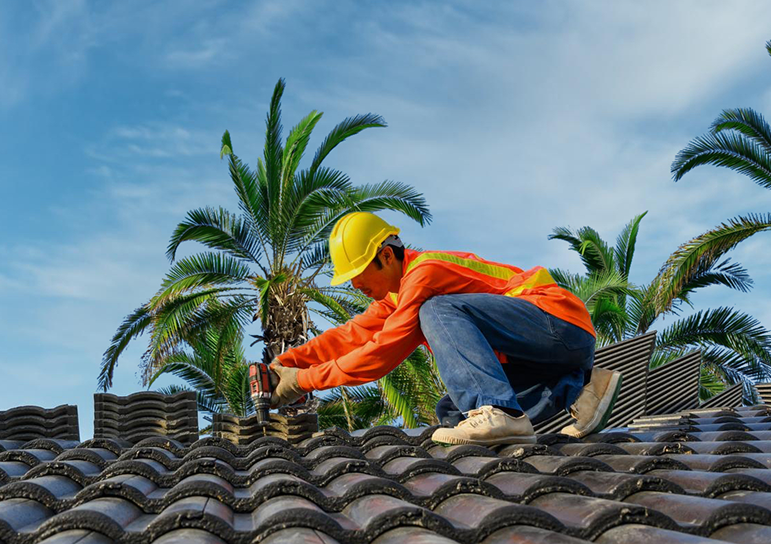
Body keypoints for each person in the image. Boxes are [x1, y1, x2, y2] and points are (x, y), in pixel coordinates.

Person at [269, 212, 622, 445]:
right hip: (548, 352)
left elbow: (381, 353)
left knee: (437, 310)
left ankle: (497, 410)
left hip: (559, 321)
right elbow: (351, 335)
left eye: (358, 273)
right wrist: (288, 364)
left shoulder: (425, 275)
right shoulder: (397, 295)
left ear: (386, 256)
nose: (354, 285)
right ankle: (581, 390)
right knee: (452, 412)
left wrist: (303, 381)